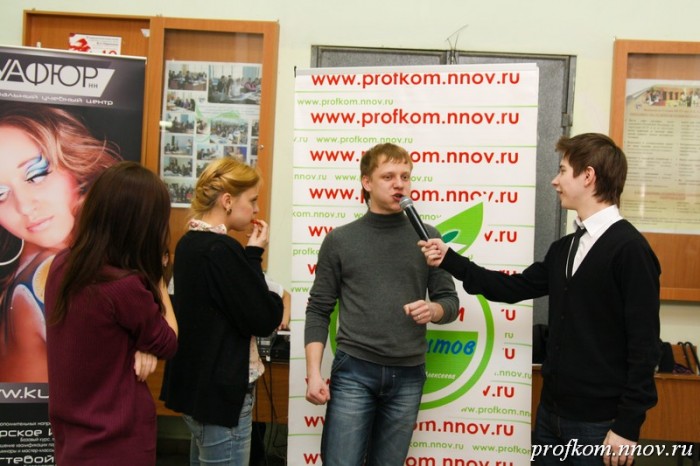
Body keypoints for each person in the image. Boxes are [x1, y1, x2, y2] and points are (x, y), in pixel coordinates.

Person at [419, 133, 661, 466]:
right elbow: (512, 288)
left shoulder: (630, 250)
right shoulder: (565, 248)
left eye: (562, 171)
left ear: (588, 176)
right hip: (550, 416)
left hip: (599, 425)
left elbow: (645, 347)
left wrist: (628, 426)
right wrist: (450, 259)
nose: (554, 181)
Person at [304, 143, 460, 466]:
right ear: (366, 182)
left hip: (409, 374)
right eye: (388, 176)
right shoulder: (340, 240)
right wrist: (313, 374)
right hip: (355, 370)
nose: (399, 184)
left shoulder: (428, 237)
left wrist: (433, 310)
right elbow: (318, 309)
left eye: (405, 176)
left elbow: (449, 302)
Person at [44, 161, 179, 466]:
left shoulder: (63, 265)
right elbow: (168, 340)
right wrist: (158, 276)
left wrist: (141, 344)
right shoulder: (124, 287)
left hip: (72, 435)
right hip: (115, 440)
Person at [159, 156, 283, 466]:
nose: (256, 209)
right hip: (220, 393)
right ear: (227, 201)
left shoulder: (189, 243)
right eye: (252, 200)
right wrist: (253, 255)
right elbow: (264, 317)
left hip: (199, 391)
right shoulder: (221, 249)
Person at [0, 103, 121, 383]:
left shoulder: (37, 264)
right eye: (1, 195)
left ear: (74, 163)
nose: (25, 206)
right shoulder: (56, 273)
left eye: (36, 175)